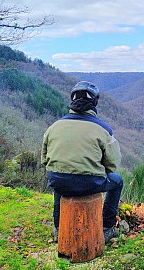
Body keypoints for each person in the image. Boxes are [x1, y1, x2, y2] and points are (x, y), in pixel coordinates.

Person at [41, 81, 123, 244]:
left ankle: (59, 229)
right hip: (90, 183)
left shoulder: (54, 127)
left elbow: (45, 159)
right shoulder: (103, 129)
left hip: (58, 181)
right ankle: (106, 228)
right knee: (117, 181)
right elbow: (113, 165)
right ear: (94, 103)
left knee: (60, 180)